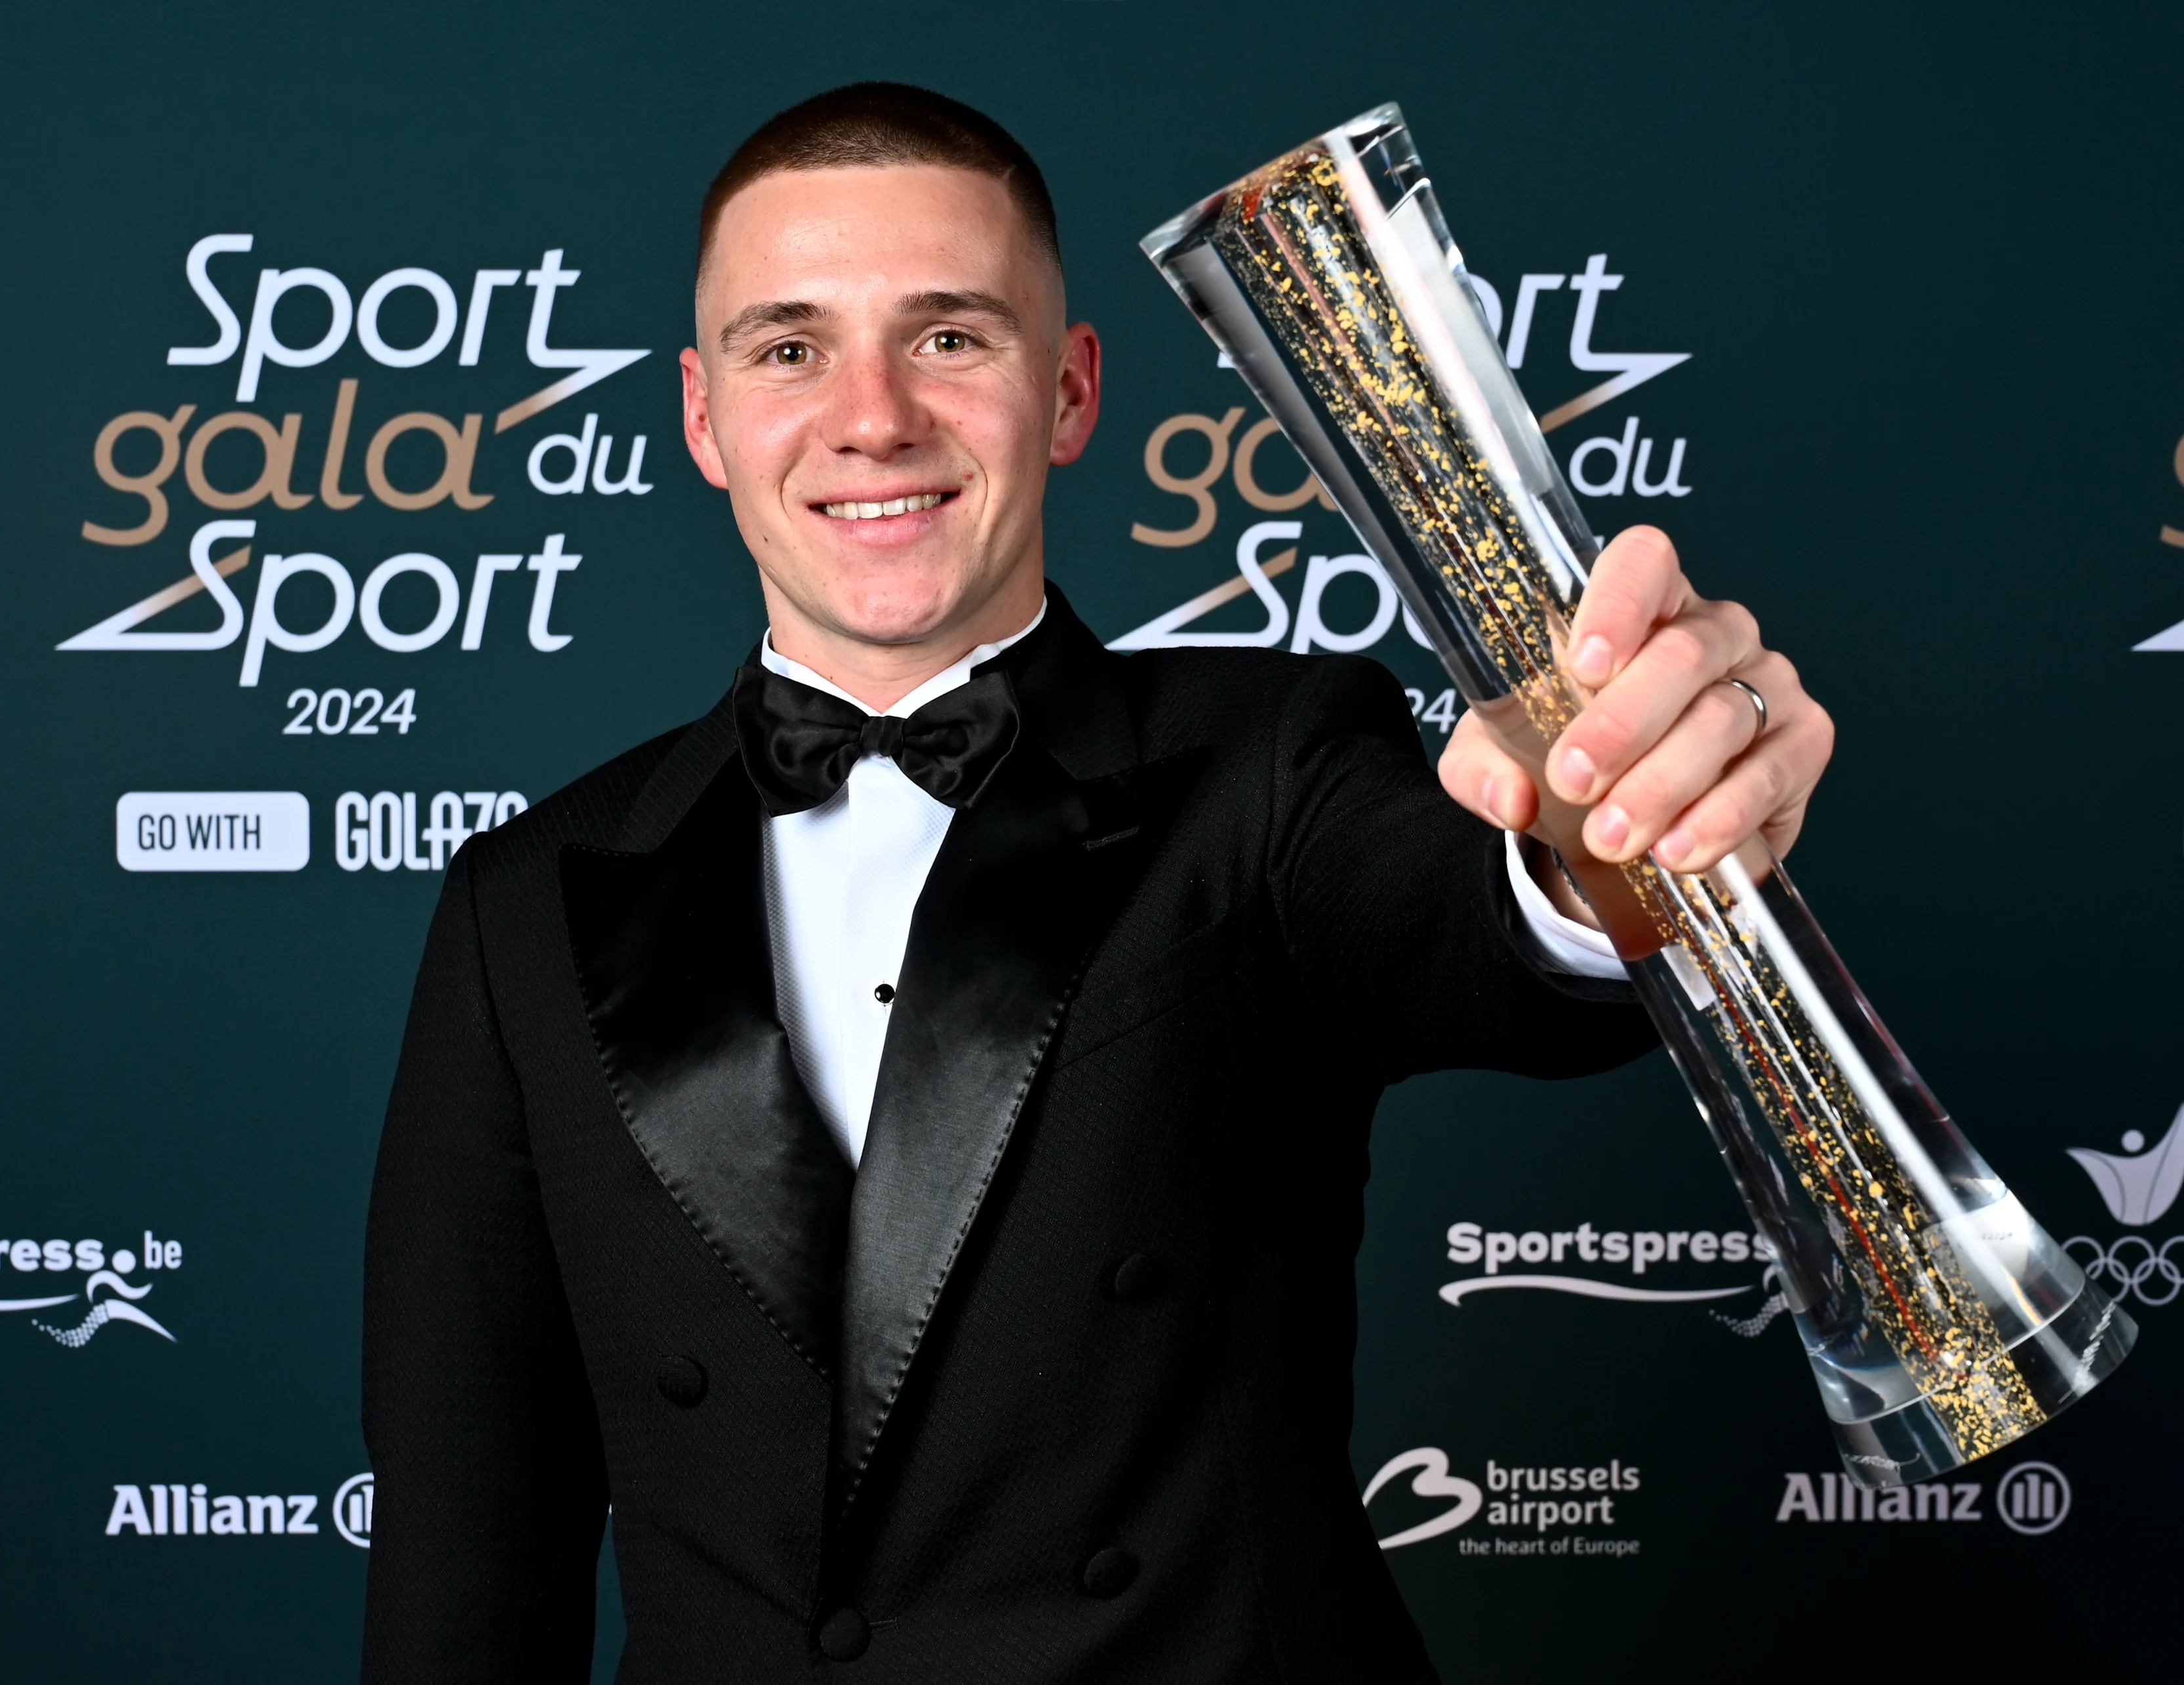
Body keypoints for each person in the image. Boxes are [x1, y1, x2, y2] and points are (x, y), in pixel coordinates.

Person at [360, 83, 1831, 1683]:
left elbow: (1491, 932)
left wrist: (1611, 831)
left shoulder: (1268, 761)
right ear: (707, 418)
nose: (873, 417)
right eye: (791, 348)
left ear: (1067, 392)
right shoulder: (530, 892)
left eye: (950, 337)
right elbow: (465, 1558)